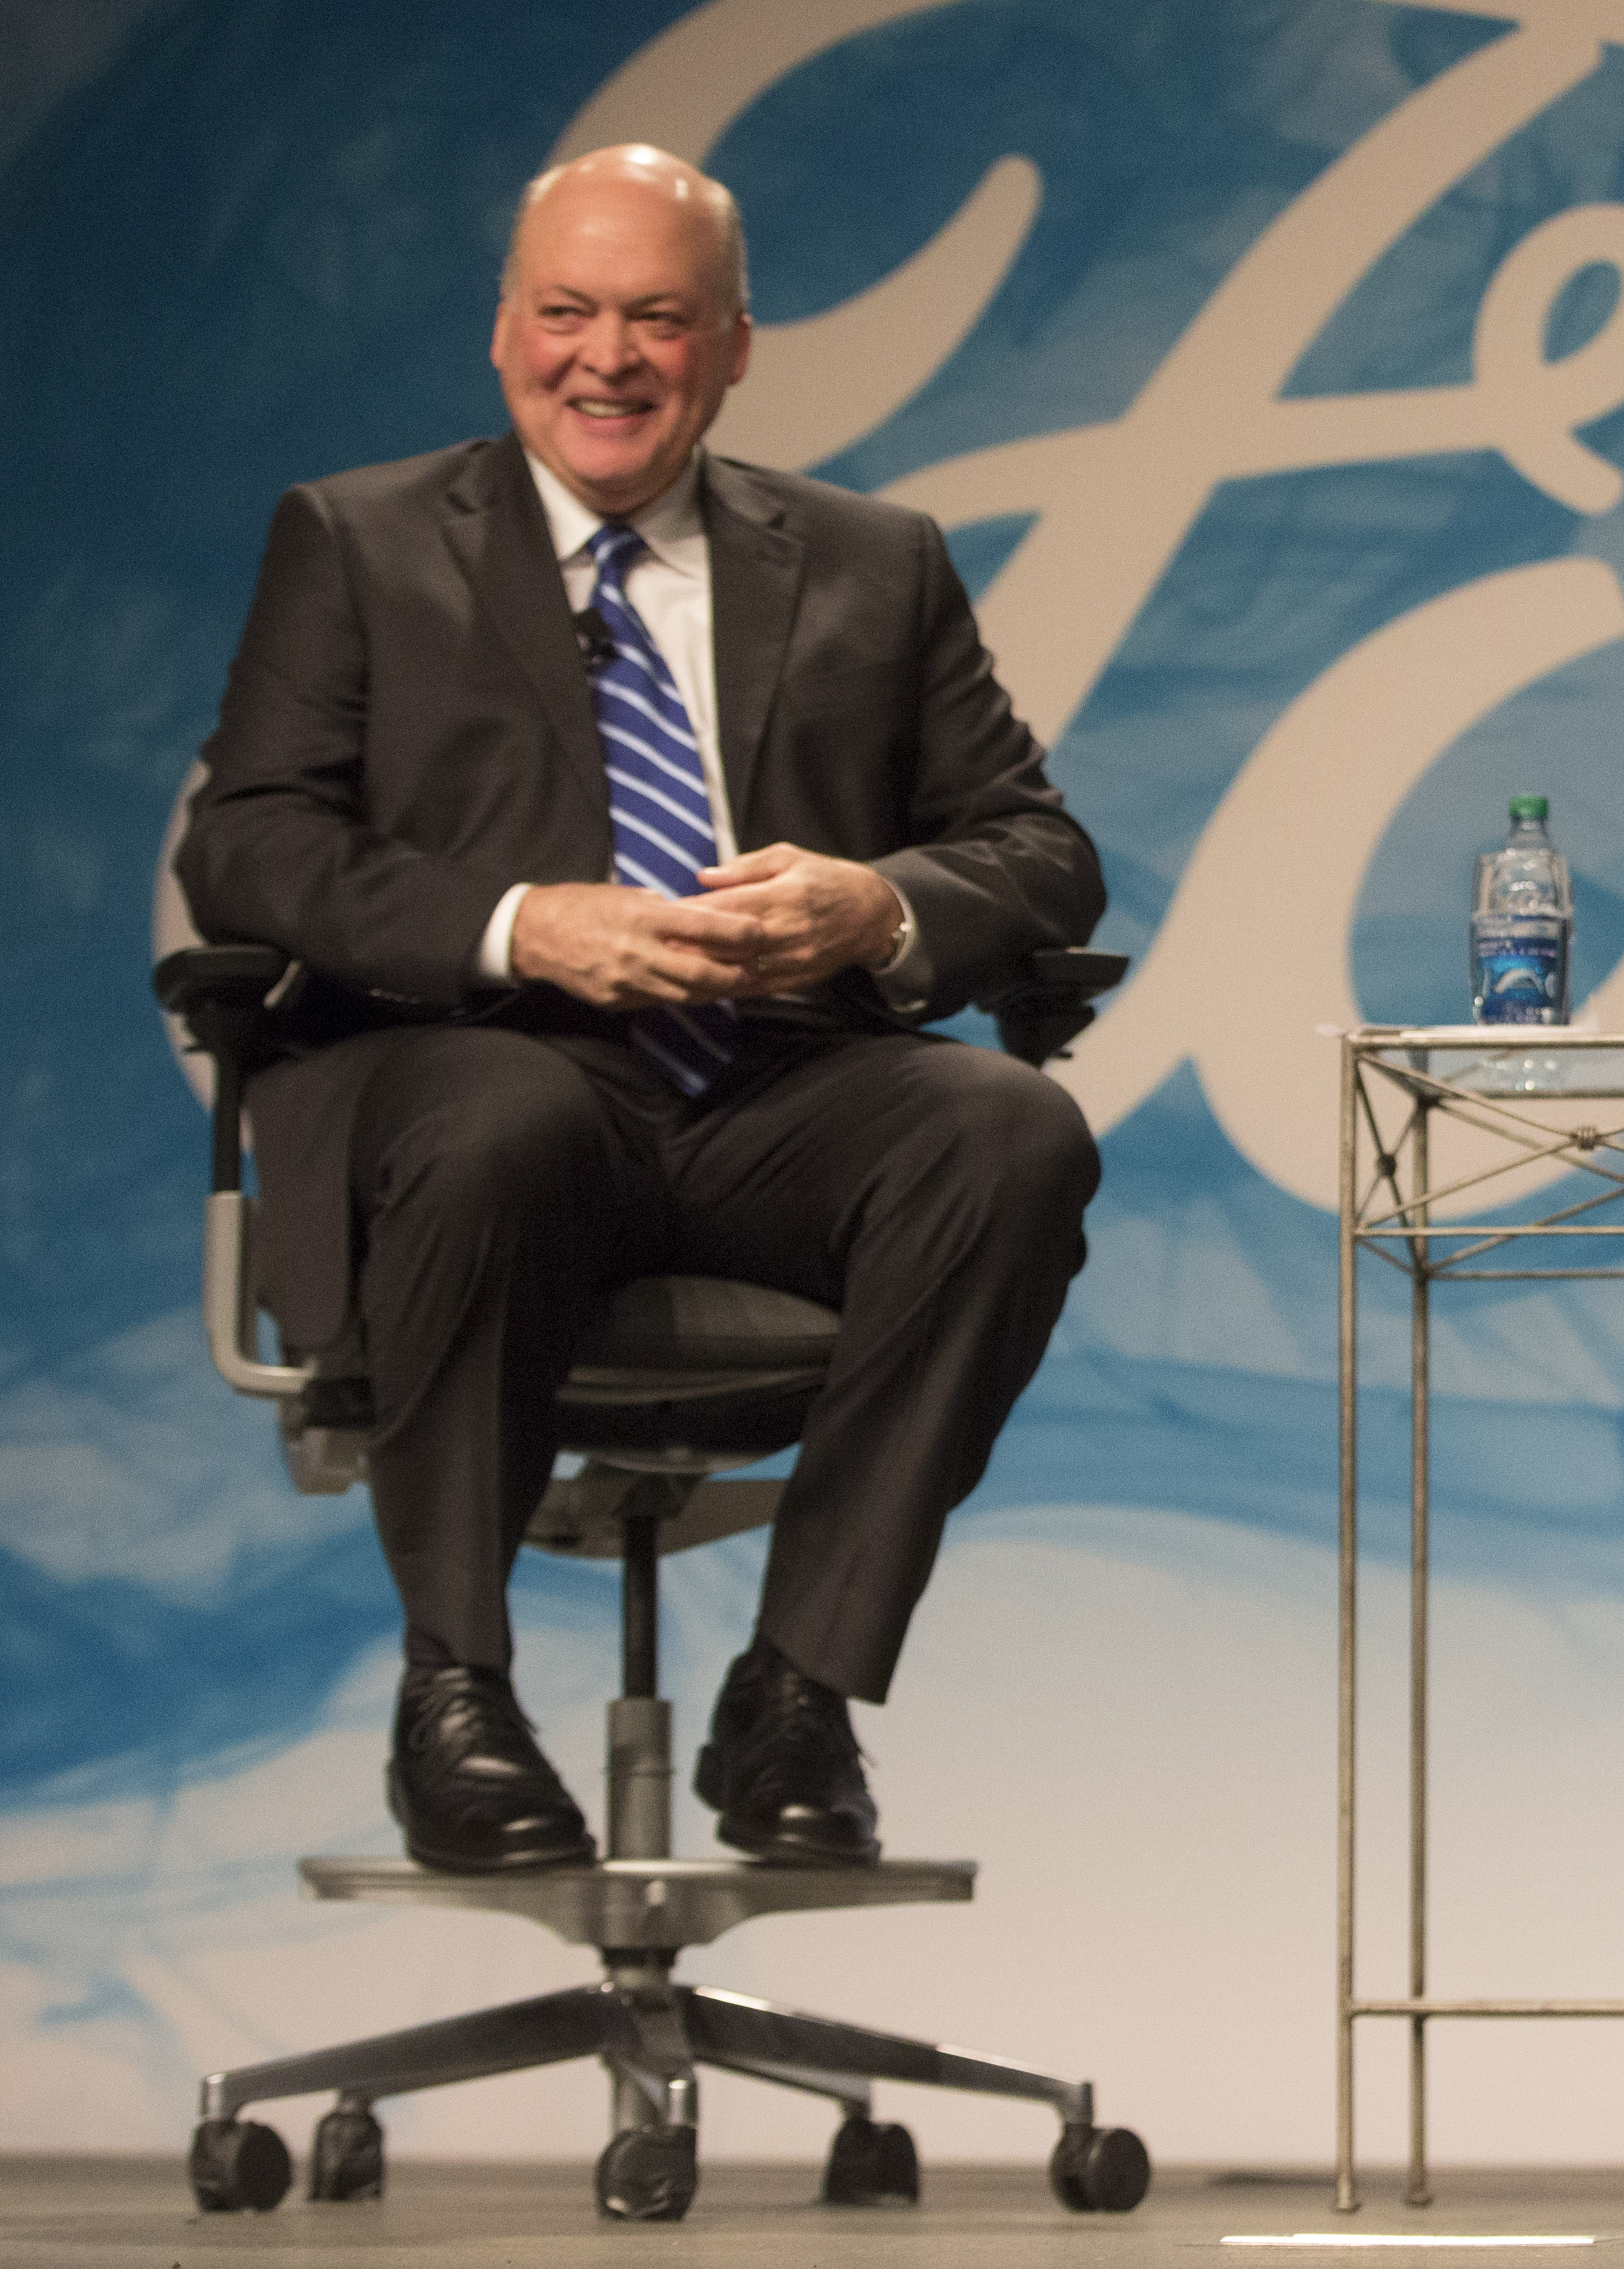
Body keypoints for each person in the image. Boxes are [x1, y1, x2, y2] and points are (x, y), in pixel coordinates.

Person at [177, 145, 1106, 1875]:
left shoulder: (873, 563)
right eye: (567, 312)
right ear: (503, 332)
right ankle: (454, 1694)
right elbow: (247, 842)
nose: (606, 358)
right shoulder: (361, 540)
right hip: (472, 1081)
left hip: (771, 1101)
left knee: (1010, 1131)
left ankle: (801, 1689)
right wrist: (524, 929)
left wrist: (877, 904)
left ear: (734, 346)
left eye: (658, 320)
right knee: (506, 1117)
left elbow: (1040, 855)